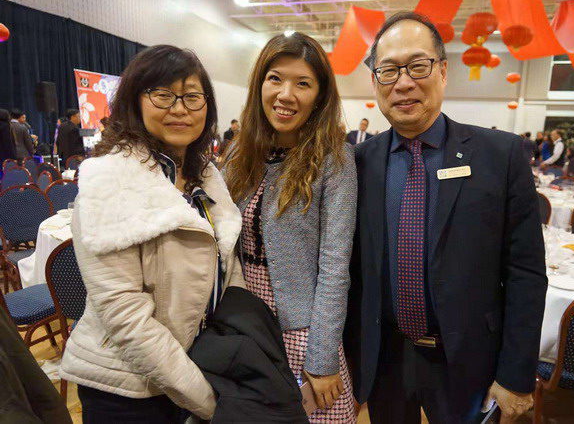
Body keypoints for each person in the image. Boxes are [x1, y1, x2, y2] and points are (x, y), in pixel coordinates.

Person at [345, 12, 547, 424]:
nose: (403, 83)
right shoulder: (357, 163)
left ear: (443, 71)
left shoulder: (501, 156)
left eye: (417, 66)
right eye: (388, 70)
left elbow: (526, 273)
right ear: (375, 81)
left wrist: (516, 373)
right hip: (385, 357)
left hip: (469, 359)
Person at [59, 45, 245, 423]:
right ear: (134, 101)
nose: (179, 109)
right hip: (129, 387)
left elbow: (227, 263)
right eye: (162, 95)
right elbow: (126, 317)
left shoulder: (205, 175)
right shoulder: (108, 179)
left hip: (198, 365)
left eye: (192, 96)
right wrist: (209, 400)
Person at [223, 32, 357, 422]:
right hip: (244, 326)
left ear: (320, 95)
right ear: (259, 84)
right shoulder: (239, 153)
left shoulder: (334, 160)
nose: (286, 94)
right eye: (275, 78)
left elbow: (335, 267)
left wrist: (322, 357)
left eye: (303, 83)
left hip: (303, 331)